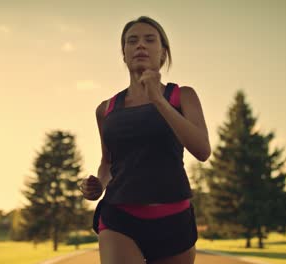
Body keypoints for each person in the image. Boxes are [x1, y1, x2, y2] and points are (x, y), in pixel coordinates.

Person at [79, 15, 211, 264]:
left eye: (149, 40)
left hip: (173, 219)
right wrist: (98, 184)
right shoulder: (106, 109)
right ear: (124, 54)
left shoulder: (181, 96)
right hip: (119, 216)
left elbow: (202, 150)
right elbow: (108, 164)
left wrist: (158, 100)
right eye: (132, 41)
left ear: (163, 53)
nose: (140, 45)